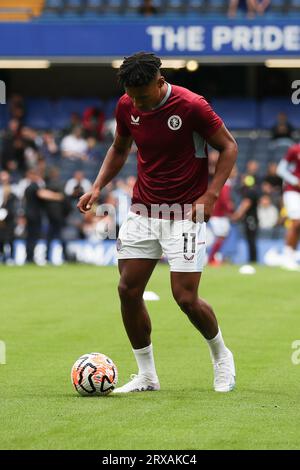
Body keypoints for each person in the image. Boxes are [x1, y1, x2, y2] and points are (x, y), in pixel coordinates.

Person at [77, 52, 238, 393]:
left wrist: (210, 195)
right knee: (127, 290)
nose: (139, 103)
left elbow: (229, 147)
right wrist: (96, 186)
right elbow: (119, 149)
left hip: (185, 215)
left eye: (144, 96)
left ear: (160, 81)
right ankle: (147, 376)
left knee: (185, 298)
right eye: (133, 97)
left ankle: (222, 357)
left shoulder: (192, 105)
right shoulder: (127, 104)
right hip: (143, 211)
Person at [276, 143, 300, 271]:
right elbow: (280, 170)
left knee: (299, 225)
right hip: (292, 191)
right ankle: (286, 257)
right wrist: (295, 181)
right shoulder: (295, 149)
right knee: (296, 223)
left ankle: (291, 256)